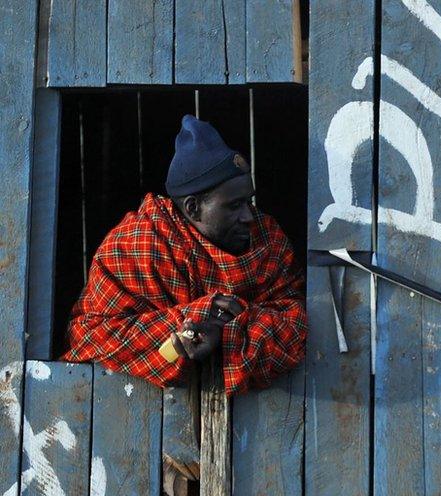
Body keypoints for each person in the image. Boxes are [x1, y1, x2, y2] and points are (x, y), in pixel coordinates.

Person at [63, 115, 306, 394]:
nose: (249, 216)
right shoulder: (138, 245)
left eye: (249, 201)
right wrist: (193, 320)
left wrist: (225, 333)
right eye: (234, 205)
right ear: (192, 208)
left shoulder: (267, 237)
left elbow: (298, 322)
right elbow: (89, 339)